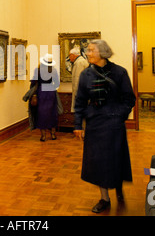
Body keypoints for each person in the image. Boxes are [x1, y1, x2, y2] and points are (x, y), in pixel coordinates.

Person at [73, 39, 136, 213]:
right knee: (98, 162)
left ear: (102, 52)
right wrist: (78, 125)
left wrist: (118, 115)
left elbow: (129, 99)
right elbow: (80, 102)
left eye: (92, 50)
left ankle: (117, 186)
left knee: (115, 159)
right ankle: (104, 198)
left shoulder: (119, 73)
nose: (88, 53)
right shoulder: (86, 75)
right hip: (94, 125)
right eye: (88, 50)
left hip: (114, 125)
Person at [30, 53, 60, 142]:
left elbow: (33, 83)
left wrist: (33, 94)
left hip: (41, 92)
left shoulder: (37, 71)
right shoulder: (53, 71)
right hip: (51, 92)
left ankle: (43, 136)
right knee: (52, 113)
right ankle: (53, 134)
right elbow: (57, 83)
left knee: (41, 114)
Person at [69, 46, 89, 112]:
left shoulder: (79, 63)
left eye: (70, 55)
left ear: (74, 55)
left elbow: (78, 79)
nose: (69, 58)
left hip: (80, 95)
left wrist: (77, 95)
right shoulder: (78, 62)